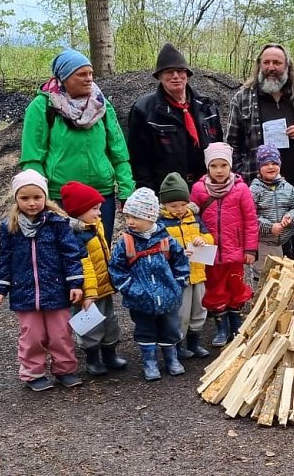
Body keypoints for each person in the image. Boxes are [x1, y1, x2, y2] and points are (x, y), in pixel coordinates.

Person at [20, 49, 135, 246]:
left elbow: (119, 153)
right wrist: (38, 196)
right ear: (64, 78)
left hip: (101, 195)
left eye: (90, 74)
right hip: (60, 197)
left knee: (99, 251)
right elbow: (32, 157)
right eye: (81, 74)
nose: (89, 79)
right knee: (63, 255)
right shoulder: (42, 107)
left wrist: (126, 191)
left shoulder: (102, 105)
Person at [226, 43, 294, 263]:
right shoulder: (243, 98)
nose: (271, 67)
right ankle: (268, 287)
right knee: (264, 239)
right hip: (259, 186)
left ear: (287, 66)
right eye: (266, 62)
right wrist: (243, 175)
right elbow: (231, 144)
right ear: (259, 66)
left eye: (277, 62)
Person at [0, 170, 85, 391]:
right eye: (25, 198)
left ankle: (65, 369)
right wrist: (0, 289)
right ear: (16, 199)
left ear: (45, 197)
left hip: (56, 289)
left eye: (37, 197)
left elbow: (70, 253)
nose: (32, 203)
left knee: (60, 333)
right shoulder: (9, 227)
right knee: (32, 335)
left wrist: (75, 284)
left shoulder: (58, 222)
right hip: (25, 292)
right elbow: (4, 258)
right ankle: (33, 373)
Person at [108, 188, 191, 381]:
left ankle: (172, 359)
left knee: (170, 328)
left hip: (168, 296)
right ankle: (150, 362)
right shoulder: (126, 242)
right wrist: (130, 289)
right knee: (145, 331)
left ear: (151, 218)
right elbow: (117, 269)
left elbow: (180, 261)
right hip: (140, 299)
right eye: (128, 217)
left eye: (135, 217)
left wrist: (179, 284)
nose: (130, 222)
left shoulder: (166, 240)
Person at [128, 43, 224, 193]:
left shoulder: (207, 107)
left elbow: (219, 149)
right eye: (169, 72)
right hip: (167, 193)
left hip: (206, 190)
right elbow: (139, 161)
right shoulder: (144, 110)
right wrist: (149, 194)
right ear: (159, 76)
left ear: (188, 75)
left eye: (180, 71)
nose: (175, 76)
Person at [190, 142, 258, 347]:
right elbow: (192, 220)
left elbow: (250, 221)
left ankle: (236, 326)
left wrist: (250, 249)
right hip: (209, 251)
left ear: (230, 166)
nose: (219, 170)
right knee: (215, 289)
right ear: (207, 167)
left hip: (235, 250)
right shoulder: (199, 189)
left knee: (236, 287)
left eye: (223, 165)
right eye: (214, 166)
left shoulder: (241, 189)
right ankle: (221, 328)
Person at [61, 181, 127, 376]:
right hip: (86, 291)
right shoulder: (74, 235)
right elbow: (84, 265)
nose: (99, 213)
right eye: (94, 209)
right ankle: (92, 357)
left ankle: (110, 354)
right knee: (89, 326)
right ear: (78, 211)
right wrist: (89, 292)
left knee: (109, 321)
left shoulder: (93, 226)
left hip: (102, 286)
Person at [157, 172, 213, 360]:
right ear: (164, 204)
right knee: (181, 312)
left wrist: (202, 239)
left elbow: (209, 236)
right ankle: (178, 344)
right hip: (177, 277)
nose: (179, 209)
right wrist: (177, 251)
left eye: (182, 204)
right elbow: (159, 248)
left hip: (198, 271)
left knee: (199, 308)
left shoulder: (194, 219)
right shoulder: (161, 224)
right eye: (173, 206)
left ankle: (194, 342)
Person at [249, 145, 294, 286]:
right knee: (263, 274)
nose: (270, 167)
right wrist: (269, 226)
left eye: (274, 163)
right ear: (259, 167)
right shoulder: (254, 190)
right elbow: (250, 217)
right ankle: (260, 302)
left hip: (285, 240)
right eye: (266, 164)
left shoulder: (288, 188)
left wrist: (291, 217)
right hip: (263, 242)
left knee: (284, 274)